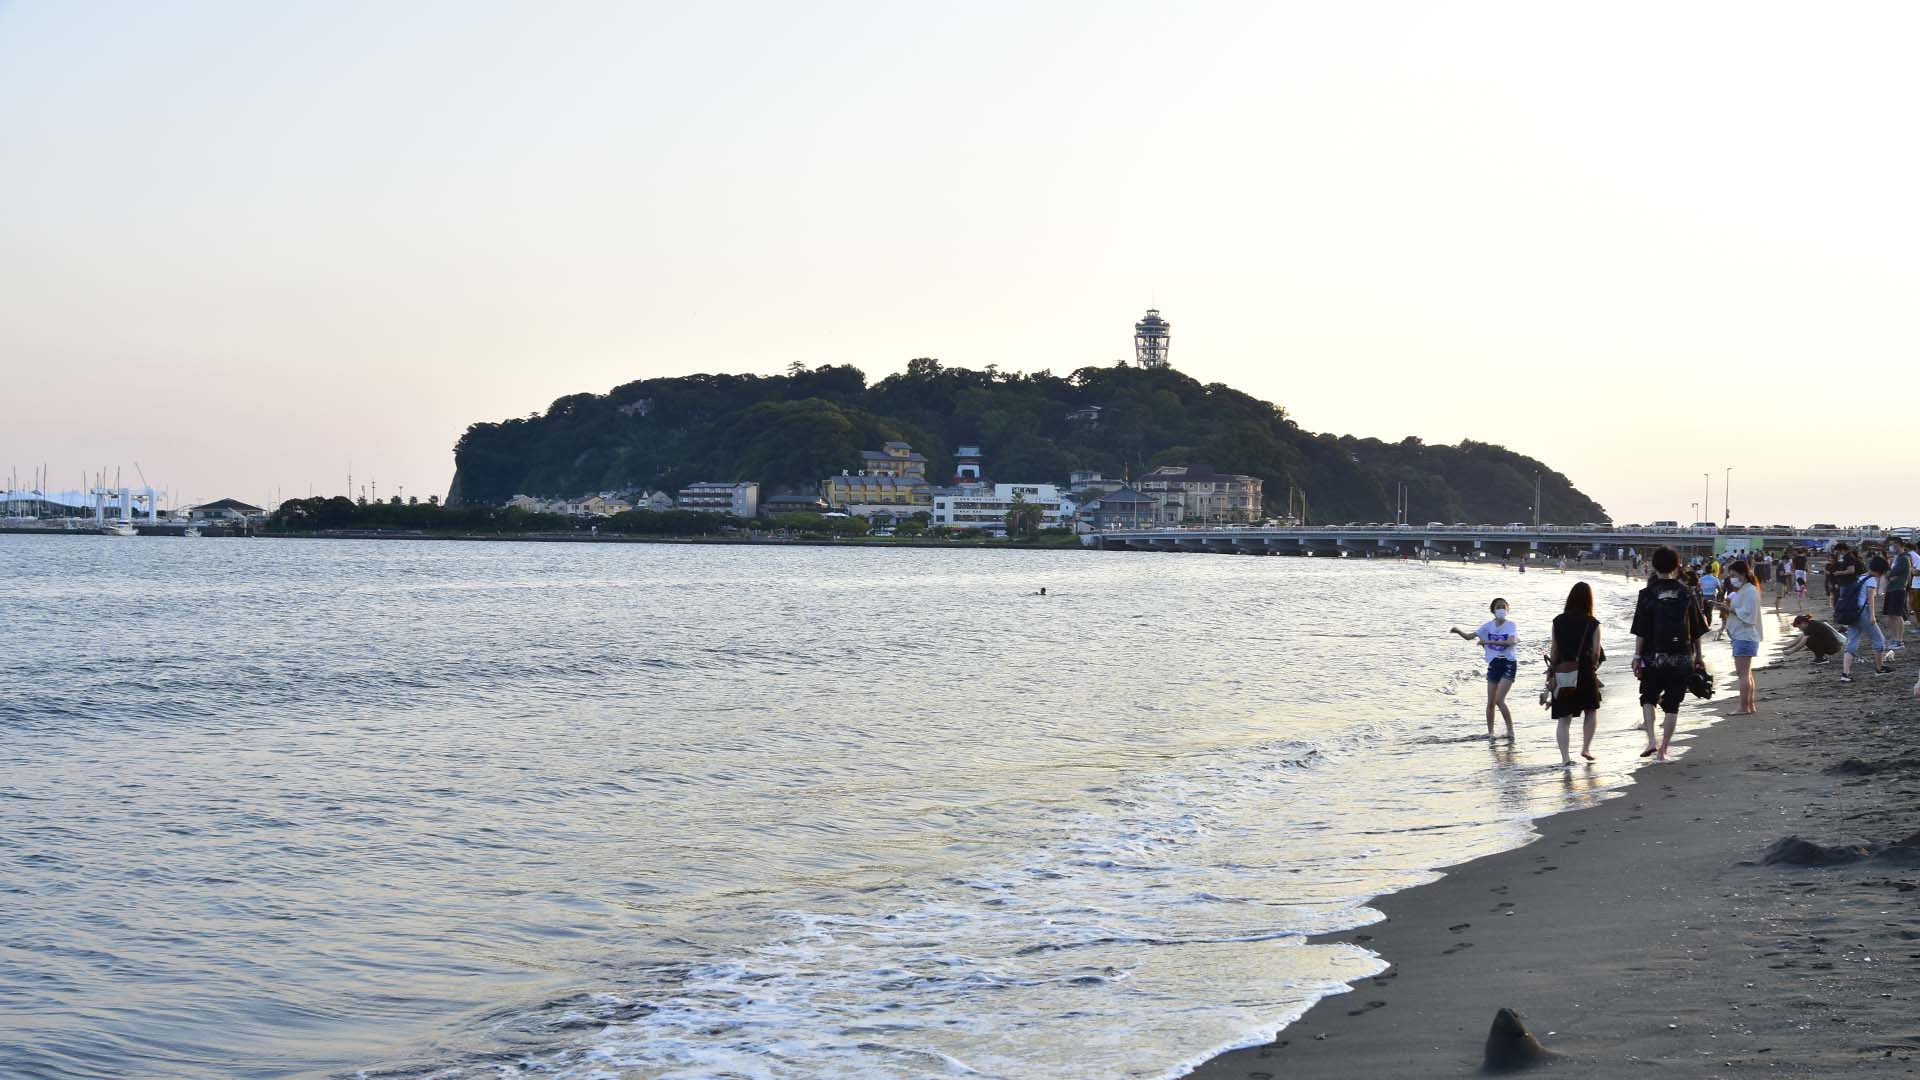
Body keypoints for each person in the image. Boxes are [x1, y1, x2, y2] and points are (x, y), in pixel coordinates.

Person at [1630, 547, 1708, 761]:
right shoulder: (1687, 593)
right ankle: (1664, 750)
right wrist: (1698, 657)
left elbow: (1641, 629)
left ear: (1654, 566)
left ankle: (1652, 741)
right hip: (1682, 656)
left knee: (1647, 698)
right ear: (1677, 566)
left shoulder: (1647, 594)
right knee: (1673, 703)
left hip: (1653, 656)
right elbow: (1696, 630)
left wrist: (1637, 656)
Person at [1546, 582, 1605, 766]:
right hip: (1586, 671)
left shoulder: (1558, 621)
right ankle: (1586, 748)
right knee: (1591, 710)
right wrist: (1593, 668)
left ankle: (1565, 759)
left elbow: (1554, 650)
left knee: (1564, 718)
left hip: (1564, 672)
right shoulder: (1593, 623)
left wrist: (1551, 672)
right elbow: (1596, 652)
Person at [1451, 599, 1519, 743]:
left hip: (1509, 663)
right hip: (1494, 664)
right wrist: (1458, 631)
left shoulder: (1511, 625)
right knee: (1490, 702)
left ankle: (1510, 731)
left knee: (1500, 700)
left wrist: (1488, 642)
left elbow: (1511, 642)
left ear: (1507, 609)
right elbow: (1470, 637)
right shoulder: (1488, 626)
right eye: (1498, 607)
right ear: (1493, 610)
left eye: (1503, 607)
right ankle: (1491, 733)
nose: (1501, 609)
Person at [1716, 558, 1764, 715]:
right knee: (1746, 674)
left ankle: (1744, 707)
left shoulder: (1750, 590)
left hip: (1745, 636)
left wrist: (1730, 610)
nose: (1732, 578)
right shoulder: (1745, 589)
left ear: (1742, 574)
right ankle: (1749, 705)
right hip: (1743, 636)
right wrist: (1726, 607)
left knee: (1742, 674)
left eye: (1733, 574)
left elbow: (1748, 615)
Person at [1836, 556, 1893, 683]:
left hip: (1851, 613)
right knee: (1879, 640)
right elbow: (1870, 599)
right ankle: (1879, 669)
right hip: (1863, 613)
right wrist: (1872, 616)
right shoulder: (1871, 579)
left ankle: (1845, 673)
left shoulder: (1860, 577)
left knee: (1852, 642)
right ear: (1880, 570)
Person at [1885, 537, 1913, 650]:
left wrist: (1890, 575)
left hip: (1898, 588)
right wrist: (1890, 575)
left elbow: (1892, 573)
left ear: (1898, 544)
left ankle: (1899, 640)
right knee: (1891, 615)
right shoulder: (1898, 558)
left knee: (1897, 615)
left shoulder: (1904, 558)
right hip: (1892, 588)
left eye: (1892, 545)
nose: (1891, 547)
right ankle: (1894, 639)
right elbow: (1891, 574)